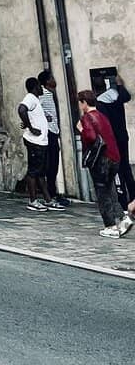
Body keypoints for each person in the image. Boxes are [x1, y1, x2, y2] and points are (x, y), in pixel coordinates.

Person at [77, 90, 132, 239]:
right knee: (110, 189)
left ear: (84, 103)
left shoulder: (87, 118)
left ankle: (110, 226)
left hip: (101, 160)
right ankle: (122, 218)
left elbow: (90, 136)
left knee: (102, 193)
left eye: (80, 102)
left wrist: (81, 130)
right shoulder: (102, 116)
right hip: (114, 158)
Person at [95, 73, 135, 209]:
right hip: (122, 136)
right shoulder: (116, 96)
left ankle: (123, 201)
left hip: (113, 140)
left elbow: (104, 124)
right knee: (126, 168)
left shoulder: (100, 102)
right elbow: (126, 96)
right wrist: (120, 85)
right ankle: (133, 198)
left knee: (118, 171)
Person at [18, 78, 56, 211]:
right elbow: (21, 109)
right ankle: (33, 201)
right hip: (35, 141)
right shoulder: (30, 98)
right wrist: (31, 127)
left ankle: (48, 200)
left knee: (40, 172)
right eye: (40, 86)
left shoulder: (35, 100)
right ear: (35, 87)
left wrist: (42, 120)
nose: (41, 89)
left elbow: (30, 115)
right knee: (33, 171)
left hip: (41, 141)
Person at [36, 68, 68, 209]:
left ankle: (52, 192)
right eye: (52, 78)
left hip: (54, 131)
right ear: (48, 81)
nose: (54, 80)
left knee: (54, 164)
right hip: (48, 132)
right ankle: (50, 194)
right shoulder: (43, 95)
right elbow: (34, 109)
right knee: (50, 164)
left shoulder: (51, 94)